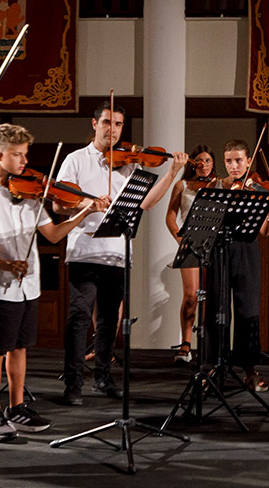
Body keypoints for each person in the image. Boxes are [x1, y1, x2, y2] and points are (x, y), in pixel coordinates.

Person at [0, 123, 104, 439]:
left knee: (20, 347)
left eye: (25, 154)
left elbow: (51, 234)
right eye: (18, 155)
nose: (25, 162)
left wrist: (84, 213)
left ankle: (17, 407)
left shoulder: (30, 193)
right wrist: (3, 263)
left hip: (29, 284)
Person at [55, 105, 186, 405]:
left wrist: (171, 173)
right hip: (84, 252)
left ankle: (102, 376)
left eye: (118, 124)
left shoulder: (130, 166)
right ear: (94, 123)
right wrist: (86, 206)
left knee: (109, 320)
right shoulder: (75, 160)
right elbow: (58, 205)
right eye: (106, 122)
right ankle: (73, 382)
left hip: (117, 254)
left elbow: (147, 203)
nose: (112, 129)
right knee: (78, 318)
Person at [215, 139, 269, 392]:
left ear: (248, 161)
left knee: (247, 310)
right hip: (220, 249)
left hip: (247, 249)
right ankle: (214, 365)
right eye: (229, 161)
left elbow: (265, 232)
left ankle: (249, 368)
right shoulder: (218, 187)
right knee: (217, 312)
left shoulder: (258, 189)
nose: (233, 166)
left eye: (239, 160)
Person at [165, 145, 217, 363]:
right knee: (191, 296)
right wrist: (179, 238)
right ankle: (186, 343)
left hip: (213, 244)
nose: (204, 164)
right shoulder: (182, 185)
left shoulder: (220, 184)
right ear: (192, 163)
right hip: (190, 244)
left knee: (212, 298)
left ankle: (209, 345)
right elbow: (170, 215)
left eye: (208, 160)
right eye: (199, 161)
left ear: (213, 164)